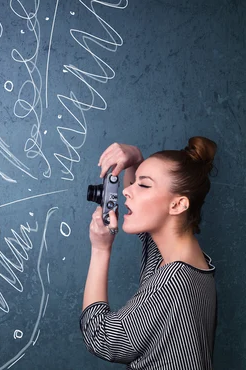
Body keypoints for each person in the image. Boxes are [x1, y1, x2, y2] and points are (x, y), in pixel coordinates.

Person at [80, 137, 218, 369]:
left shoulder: (174, 280)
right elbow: (148, 224)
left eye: (143, 185)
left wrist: (100, 249)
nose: (127, 192)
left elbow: (101, 338)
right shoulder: (184, 259)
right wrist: (135, 158)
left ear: (177, 205)